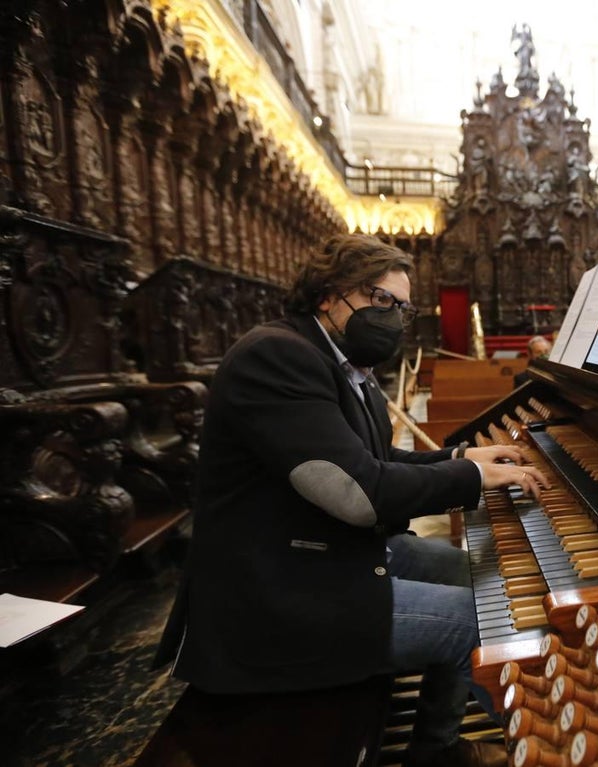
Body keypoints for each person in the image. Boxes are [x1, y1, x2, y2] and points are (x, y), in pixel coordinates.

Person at [154, 233, 548, 767]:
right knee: (483, 620)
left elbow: (378, 464)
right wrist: (471, 482)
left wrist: (464, 459)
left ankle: (441, 738)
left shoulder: (339, 363)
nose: (392, 317)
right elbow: (359, 494)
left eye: (401, 308)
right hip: (276, 592)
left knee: (476, 572)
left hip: (327, 552)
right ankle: (443, 752)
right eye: (380, 300)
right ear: (328, 294)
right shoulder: (277, 357)